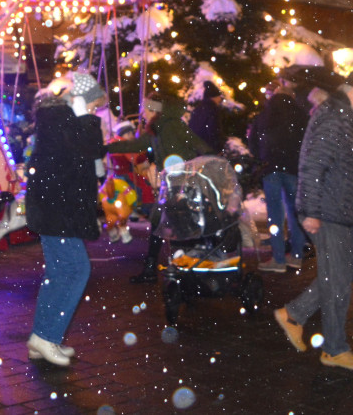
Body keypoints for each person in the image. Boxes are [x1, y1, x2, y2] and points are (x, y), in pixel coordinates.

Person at [274, 69, 353, 372]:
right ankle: (334, 350)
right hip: (326, 212)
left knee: (347, 270)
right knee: (338, 283)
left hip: (337, 210)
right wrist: (311, 212)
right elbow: (312, 166)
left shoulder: (343, 118)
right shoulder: (334, 119)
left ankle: (294, 314)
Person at [24, 72, 105, 367]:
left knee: (59, 272)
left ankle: (42, 338)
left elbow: (85, 156)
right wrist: (85, 116)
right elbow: (91, 147)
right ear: (79, 99)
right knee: (76, 270)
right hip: (60, 211)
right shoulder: (63, 119)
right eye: (93, 104)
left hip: (55, 210)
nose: (94, 111)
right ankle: (46, 337)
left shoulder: (55, 119)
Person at [106, 92, 209, 283]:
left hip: (181, 185)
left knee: (173, 226)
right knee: (159, 224)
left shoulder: (173, 126)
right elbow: (136, 144)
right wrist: (107, 147)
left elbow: (198, 145)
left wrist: (210, 159)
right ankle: (156, 269)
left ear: (154, 110)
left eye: (145, 108)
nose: (142, 112)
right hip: (170, 185)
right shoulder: (156, 129)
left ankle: (187, 270)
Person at [250, 74, 311, 273]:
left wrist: (263, 159)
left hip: (271, 169)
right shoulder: (302, 116)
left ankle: (278, 259)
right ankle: (296, 256)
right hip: (293, 169)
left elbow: (253, 142)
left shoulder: (264, 115)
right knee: (295, 213)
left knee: (275, 215)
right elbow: (308, 143)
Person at [187, 79, 225, 152]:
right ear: (214, 97)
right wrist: (218, 149)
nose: (220, 100)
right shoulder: (213, 109)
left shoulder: (198, 109)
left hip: (197, 148)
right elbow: (214, 130)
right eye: (219, 97)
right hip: (208, 148)